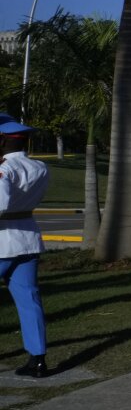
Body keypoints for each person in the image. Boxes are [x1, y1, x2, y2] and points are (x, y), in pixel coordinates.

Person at [1, 116, 51, 378]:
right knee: (29, 300)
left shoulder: (3, 168)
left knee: (28, 299)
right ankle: (38, 359)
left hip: (3, 242)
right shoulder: (40, 167)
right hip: (27, 238)